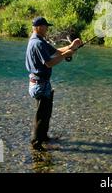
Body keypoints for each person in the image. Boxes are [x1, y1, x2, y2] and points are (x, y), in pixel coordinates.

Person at [25, 16, 82, 151]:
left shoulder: (39, 41)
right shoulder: (37, 43)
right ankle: (36, 143)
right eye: (46, 26)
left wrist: (71, 47)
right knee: (42, 116)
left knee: (45, 114)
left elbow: (56, 52)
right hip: (39, 84)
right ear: (39, 27)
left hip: (42, 83)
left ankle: (43, 138)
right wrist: (65, 55)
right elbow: (49, 63)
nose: (47, 28)